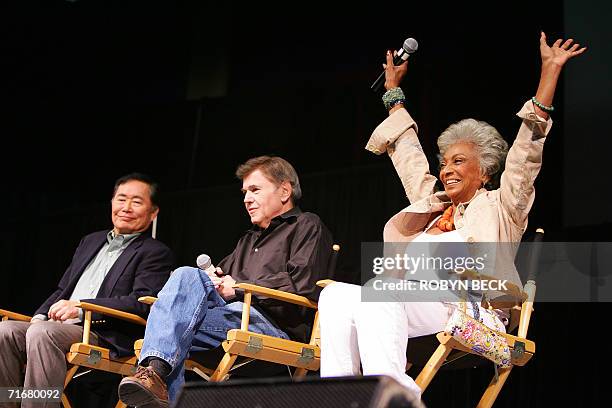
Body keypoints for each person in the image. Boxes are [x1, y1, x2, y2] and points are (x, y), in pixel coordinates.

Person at [318, 32, 586, 398]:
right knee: (336, 297)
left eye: (458, 162)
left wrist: (549, 74)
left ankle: (393, 396)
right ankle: (337, 395)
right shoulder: (434, 203)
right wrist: (392, 93)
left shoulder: (502, 205)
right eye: (444, 164)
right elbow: (411, 157)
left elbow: (526, 152)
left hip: (474, 310)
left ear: (486, 171)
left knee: (381, 290)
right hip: (415, 300)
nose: (446, 170)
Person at [118, 156, 333, 407]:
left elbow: (303, 281)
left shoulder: (307, 224)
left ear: (285, 191)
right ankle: (155, 375)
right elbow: (219, 282)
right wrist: (215, 282)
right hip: (230, 317)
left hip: (275, 325)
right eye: (244, 192)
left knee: (173, 327)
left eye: (255, 190)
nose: (246, 199)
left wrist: (239, 287)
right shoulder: (248, 240)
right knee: (186, 285)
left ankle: (154, 373)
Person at [0, 173, 174, 408]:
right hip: (58, 326)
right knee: (5, 331)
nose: (126, 207)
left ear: (153, 213)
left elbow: (141, 303)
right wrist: (40, 315)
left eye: (137, 201)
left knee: (42, 333)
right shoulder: (90, 241)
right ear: (112, 203)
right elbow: (63, 289)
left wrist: (81, 309)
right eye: (121, 199)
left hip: (103, 333)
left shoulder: (155, 252)